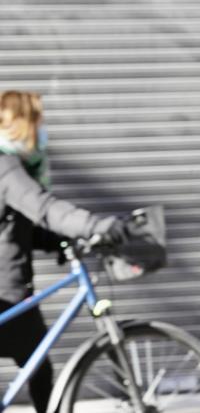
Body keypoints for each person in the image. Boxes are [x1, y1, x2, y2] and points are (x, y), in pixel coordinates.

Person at [0, 90, 127, 413]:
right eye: (37, 121)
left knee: (40, 370)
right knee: (39, 371)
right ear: (21, 124)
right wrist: (94, 225)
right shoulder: (6, 167)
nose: (42, 129)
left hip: (14, 292)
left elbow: (15, 227)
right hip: (6, 296)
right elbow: (44, 208)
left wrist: (56, 242)